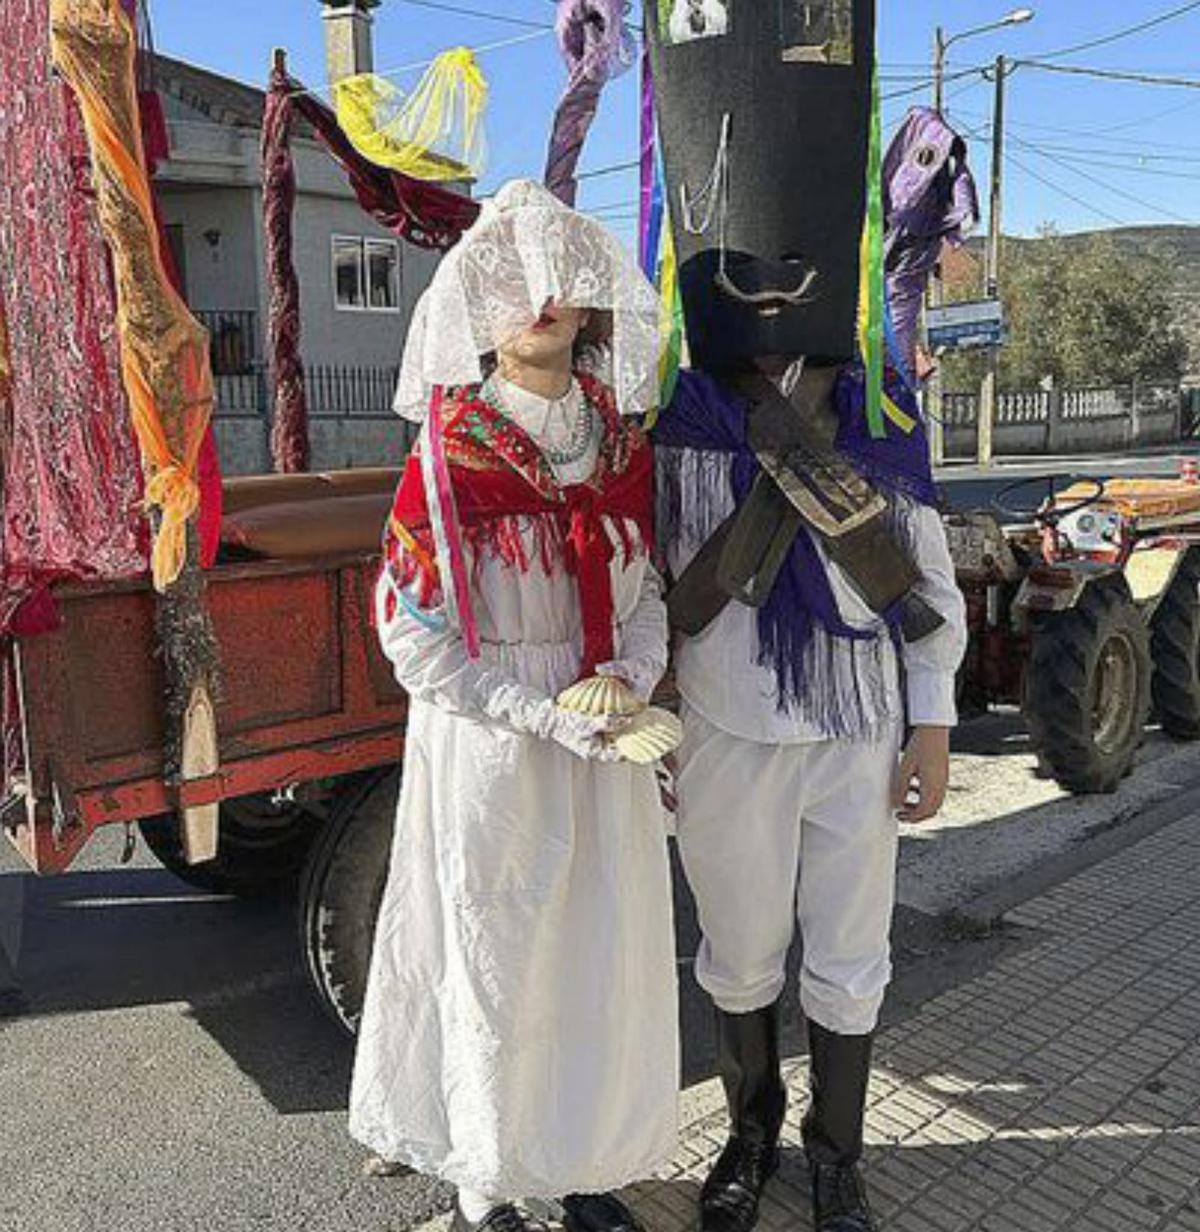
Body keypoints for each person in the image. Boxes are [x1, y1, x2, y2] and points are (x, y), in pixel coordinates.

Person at [648, 4, 968, 1230]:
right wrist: (654, 711)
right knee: (736, 946)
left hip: (857, 725)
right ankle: (750, 1135)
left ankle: (838, 1153)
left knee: (849, 947)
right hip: (725, 723)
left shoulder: (879, 411)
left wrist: (931, 726)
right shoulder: (680, 416)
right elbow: (647, 581)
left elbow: (925, 588)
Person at [349, 180, 677, 1232]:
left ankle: (581, 1164)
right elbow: (411, 635)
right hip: (495, 754)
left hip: (604, 750)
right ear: (474, 306)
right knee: (496, 965)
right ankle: (486, 1178)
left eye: (555, 276)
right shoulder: (448, 456)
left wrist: (632, 674)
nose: (536, 297)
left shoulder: (621, 447)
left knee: (595, 959)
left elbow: (646, 590)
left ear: (586, 299)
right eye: (508, 277)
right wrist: (542, 714)